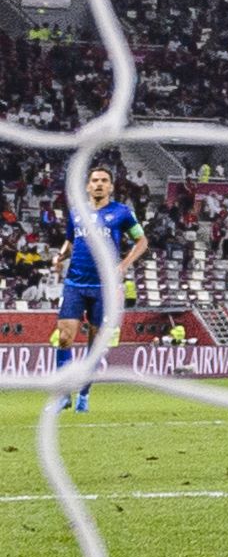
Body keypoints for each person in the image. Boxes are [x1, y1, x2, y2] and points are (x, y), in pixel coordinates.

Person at [53, 167, 148, 412]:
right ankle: (64, 394)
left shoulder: (121, 213)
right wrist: (61, 256)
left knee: (94, 346)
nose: (99, 184)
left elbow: (142, 240)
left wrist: (124, 264)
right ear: (87, 186)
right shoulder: (77, 212)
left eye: (104, 181)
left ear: (111, 187)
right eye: (94, 180)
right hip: (75, 283)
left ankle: (84, 393)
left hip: (103, 287)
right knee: (64, 338)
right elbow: (72, 240)